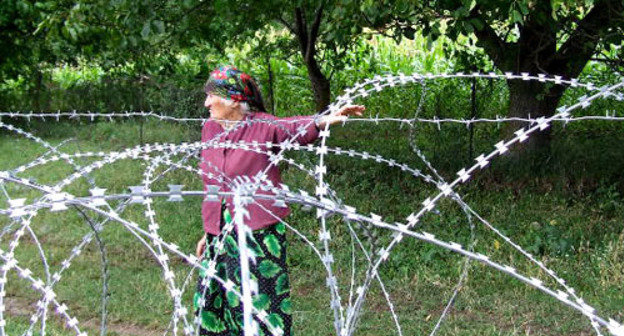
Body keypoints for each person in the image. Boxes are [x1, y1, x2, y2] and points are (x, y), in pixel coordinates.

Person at [194, 65, 364, 336]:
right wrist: (208, 230)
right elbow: (213, 182)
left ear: (234, 100)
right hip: (220, 231)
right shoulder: (210, 130)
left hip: (258, 233)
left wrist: (325, 119)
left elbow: (293, 127)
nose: (206, 103)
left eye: (211, 96)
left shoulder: (262, 127)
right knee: (217, 302)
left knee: (260, 304)